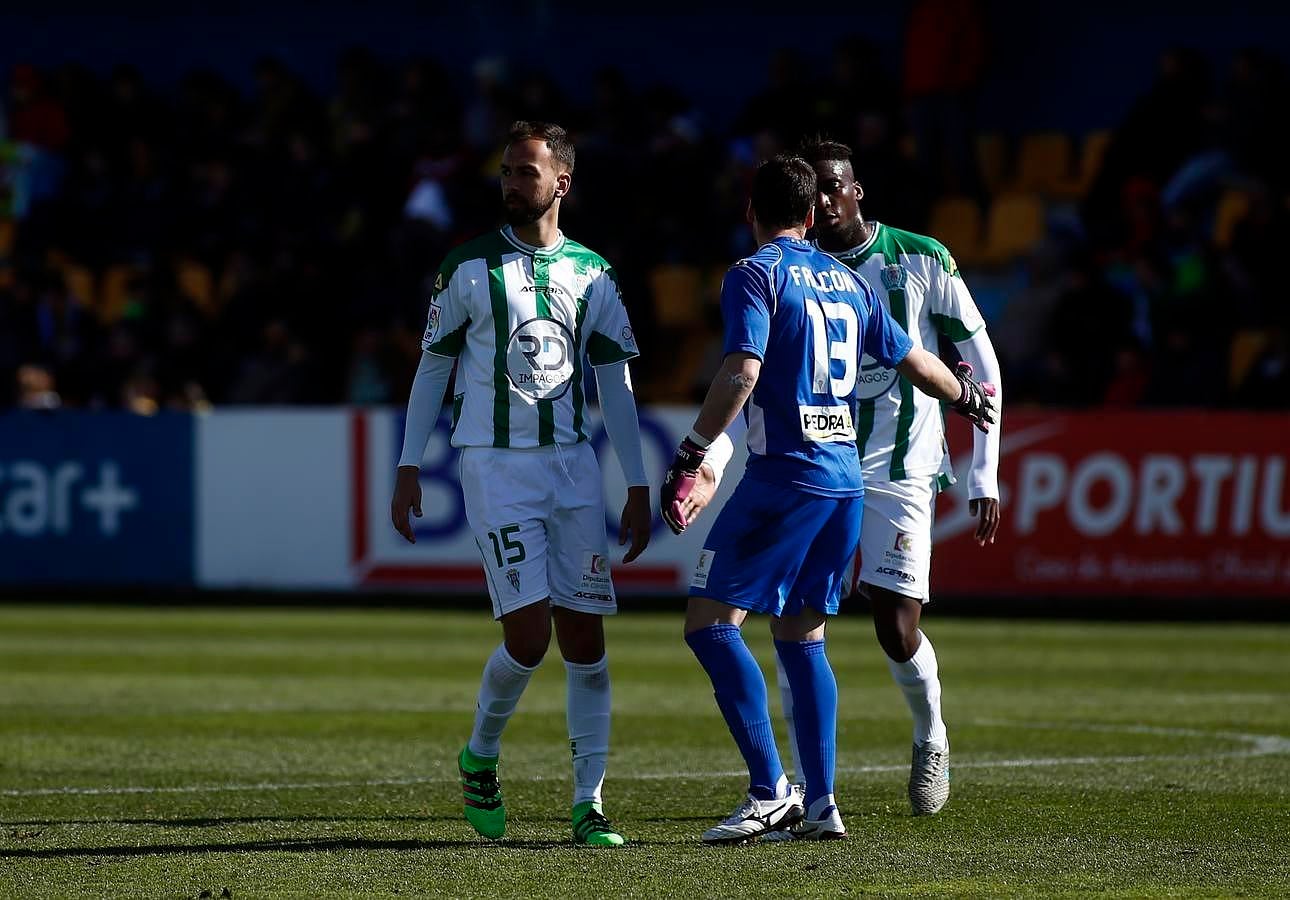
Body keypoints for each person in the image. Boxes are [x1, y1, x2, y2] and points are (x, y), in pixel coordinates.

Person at [660, 154, 994, 845]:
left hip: (785, 477)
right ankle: (820, 805)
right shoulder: (847, 281)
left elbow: (742, 370)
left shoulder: (753, 274)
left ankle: (769, 792)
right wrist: (966, 396)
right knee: (801, 635)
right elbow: (916, 362)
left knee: (709, 623)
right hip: (844, 480)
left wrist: (693, 451)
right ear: (812, 216)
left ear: (751, 210)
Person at [390, 121, 651, 847]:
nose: (511, 183)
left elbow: (615, 383)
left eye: (525, 172)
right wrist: (409, 465)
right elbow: (433, 370)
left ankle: (588, 805)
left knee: (587, 643)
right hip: (495, 467)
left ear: (561, 183)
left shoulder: (595, 273)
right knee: (530, 638)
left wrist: (636, 481)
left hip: (571, 468)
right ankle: (479, 755)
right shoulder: (467, 268)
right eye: (506, 171)